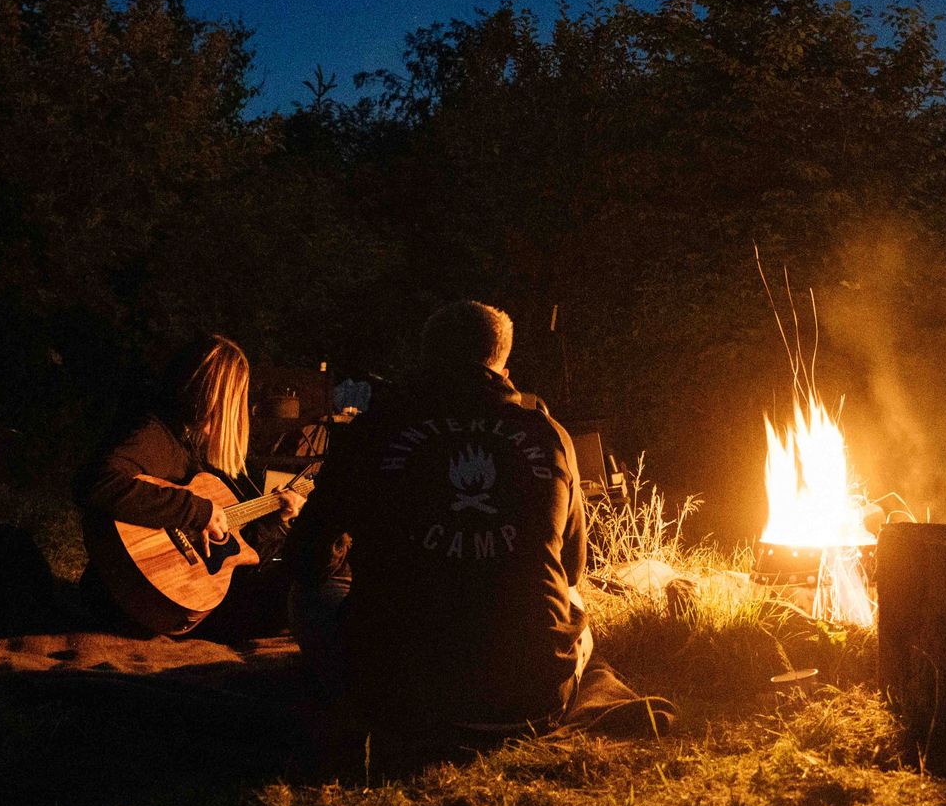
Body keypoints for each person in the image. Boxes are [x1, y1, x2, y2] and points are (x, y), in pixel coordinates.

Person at [284, 300, 591, 752]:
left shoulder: (372, 432)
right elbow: (573, 567)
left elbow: (305, 560)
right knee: (573, 599)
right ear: (503, 361)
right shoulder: (550, 435)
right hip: (530, 699)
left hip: (394, 698)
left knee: (309, 595)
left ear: (425, 358)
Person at [76, 334, 307, 637]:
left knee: (290, 587)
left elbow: (238, 552)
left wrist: (278, 520)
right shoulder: (154, 434)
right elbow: (96, 482)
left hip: (180, 598)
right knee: (297, 594)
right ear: (211, 396)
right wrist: (197, 511)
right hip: (127, 599)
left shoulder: (194, 450)